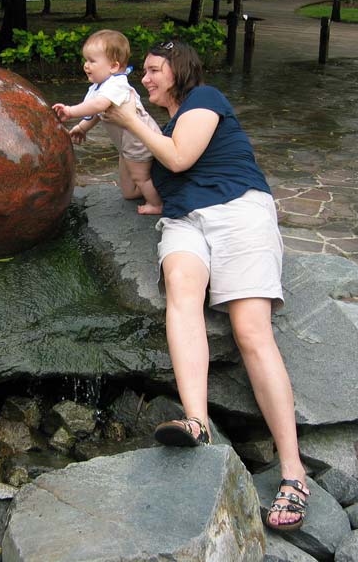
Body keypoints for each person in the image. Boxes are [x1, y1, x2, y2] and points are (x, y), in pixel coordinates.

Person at [102, 40, 310, 532]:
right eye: (144, 73)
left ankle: (293, 472)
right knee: (182, 292)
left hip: (237, 211)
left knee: (251, 330)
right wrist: (120, 135)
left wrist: (132, 122)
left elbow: (178, 160)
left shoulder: (205, 101)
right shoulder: (159, 128)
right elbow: (133, 188)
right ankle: (197, 421)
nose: (145, 79)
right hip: (183, 222)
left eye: (153, 71)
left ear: (177, 70)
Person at [52, 30, 163, 215]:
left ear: (113, 66)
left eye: (92, 61)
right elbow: (96, 112)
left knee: (140, 177)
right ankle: (149, 189)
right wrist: (82, 127)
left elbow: (99, 105)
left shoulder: (117, 84)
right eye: (86, 60)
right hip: (126, 145)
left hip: (139, 141)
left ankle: (157, 204)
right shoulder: (100, 86)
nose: (86, 65)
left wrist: (70, 111)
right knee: (128, 192)